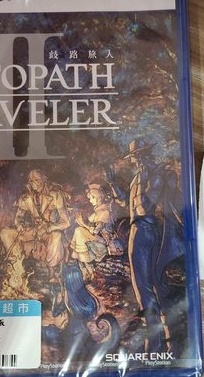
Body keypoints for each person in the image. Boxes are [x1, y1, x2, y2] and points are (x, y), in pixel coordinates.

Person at [107, 139, 185, 353]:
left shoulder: (155, 176)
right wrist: (113, 183)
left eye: (136, 156)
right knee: (149, 288)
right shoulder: (139, 177)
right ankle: (162, 343)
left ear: (143, 155)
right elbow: (125, 202)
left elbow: (144, 207)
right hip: (138, 231)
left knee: (146, 288)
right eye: (133, 157)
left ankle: (158, 344)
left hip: (145, 231)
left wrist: (143, 179)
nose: (134, 160)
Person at [0, 170, 71, 282]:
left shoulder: (56, 195)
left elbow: (66, 222)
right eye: (31, 181)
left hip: (49, 232)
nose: (33, 183)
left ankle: (52, 271)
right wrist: (20, 225)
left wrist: (49, 227)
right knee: (5, 232)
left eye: (36, 180)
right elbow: (18, 217)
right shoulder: (25, 197)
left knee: (56, 235)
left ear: (43, 180)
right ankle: (16, 265)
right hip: (33, 231)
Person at [70, 184, 121, 280]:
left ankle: (88, 267)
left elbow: (95, 231)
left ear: (99, 198)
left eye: (92, 198)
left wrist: (83, 224)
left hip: (103, 242)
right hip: (96, 239)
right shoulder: (97, 210)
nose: (90, 200)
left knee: (79, 231)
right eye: (90, 198)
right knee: (79, 232)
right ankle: (85, 267)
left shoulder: (104, 212)